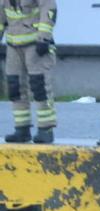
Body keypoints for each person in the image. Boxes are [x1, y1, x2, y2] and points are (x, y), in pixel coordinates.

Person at [2, 0, 57, 144]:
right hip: (13, 46)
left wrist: (44, 37)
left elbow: (49, 10)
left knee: (40, 86)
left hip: (36, 44)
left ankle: (46, 129)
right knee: (15, 87)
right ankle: (22, 129)